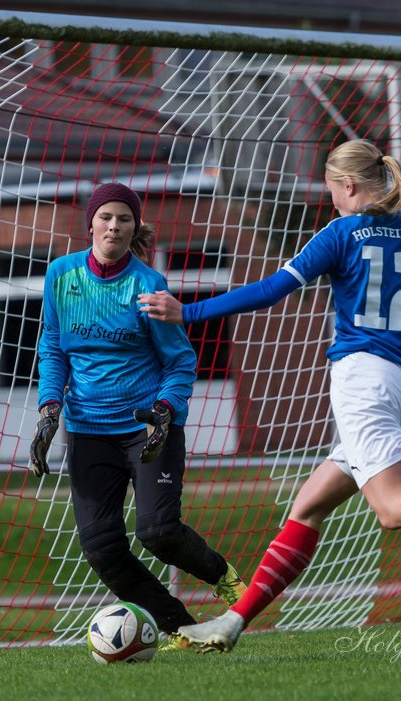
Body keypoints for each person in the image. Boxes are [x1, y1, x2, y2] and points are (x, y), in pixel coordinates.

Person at [138, 140, 401, 653]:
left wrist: (186, 313)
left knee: (390, 509)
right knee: (307, 508)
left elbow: (272, 290)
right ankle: (232, 622)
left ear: (347, 186)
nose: (333, 203)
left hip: (364, 382)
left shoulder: (343, 232)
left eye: (332, 192)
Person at [28, 182, 247, 648]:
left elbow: (180, 360)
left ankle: (222, 574)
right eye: (106, 217)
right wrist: (50, 406)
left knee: (158, 531)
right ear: (90, 223)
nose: (114, 225)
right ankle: (182, 627)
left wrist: (166, 410)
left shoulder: (148, 285)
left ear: (134, 227)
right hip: (88, 431)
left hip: (148, 428)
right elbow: (51, 347)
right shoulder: (60, 276)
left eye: (123, 218)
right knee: (102, 549)